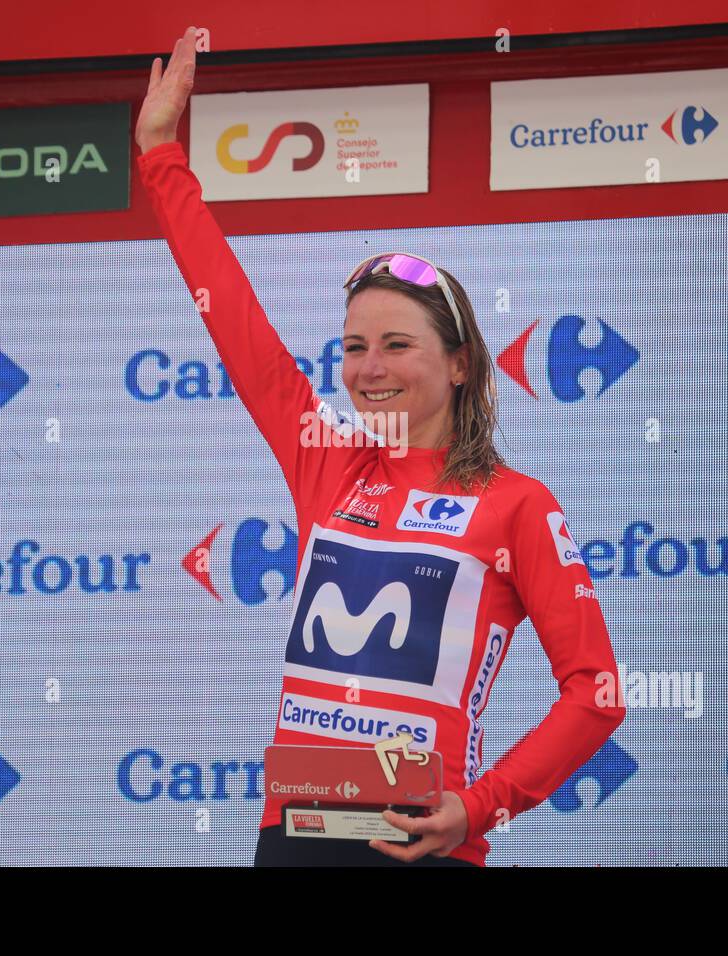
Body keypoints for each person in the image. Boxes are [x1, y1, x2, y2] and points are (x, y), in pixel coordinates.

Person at [136, 27, 627, 867]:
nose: (369, 368)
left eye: (397, 345)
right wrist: (158, 156)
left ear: (460, 362)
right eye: (355, 347)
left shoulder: (514, 504)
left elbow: (598, 694)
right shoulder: (325, 460)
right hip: (298, 833)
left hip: (418, 842)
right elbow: (236, 319)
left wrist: (479, 809)